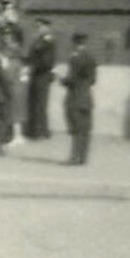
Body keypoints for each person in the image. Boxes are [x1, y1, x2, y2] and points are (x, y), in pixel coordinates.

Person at [61, 32, 97, 165]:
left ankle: (74, 157)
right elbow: (93, 80)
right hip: (87, 97)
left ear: (74, 43)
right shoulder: (91, 57)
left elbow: (71, 79)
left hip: (75, 97)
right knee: (85, 129)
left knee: (76, 129)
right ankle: (83, 157)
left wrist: (62, 80)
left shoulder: (75, 58)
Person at [25, 18, 56, 140]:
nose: (38, 29)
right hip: (38, 73)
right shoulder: (41, 40)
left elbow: (45, 60)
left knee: (40, 103)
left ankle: (40, 131)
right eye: (37, 27)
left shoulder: (46, 40)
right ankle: (40, 130)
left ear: (46, 27)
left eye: (40, 27)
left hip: (41, 74)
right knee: (37, 102)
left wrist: (33, 67)